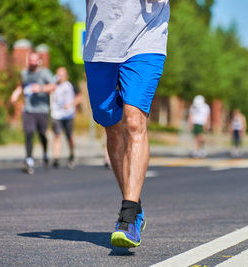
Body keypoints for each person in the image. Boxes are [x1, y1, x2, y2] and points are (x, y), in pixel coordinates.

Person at [83, 0, 170, 248]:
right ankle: (135, 203)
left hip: (146, 38)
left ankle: (128, 216)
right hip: (100, 46)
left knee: (134, 121)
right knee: (109, 122)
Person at [11, 52, 56, 174]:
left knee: (42, 134)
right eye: (30, 60)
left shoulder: (44, 73)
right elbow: (22, 85)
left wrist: (40, 88)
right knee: (29, 132)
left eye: (34, 60)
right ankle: (29, 160)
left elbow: (53, 86)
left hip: (42, 110)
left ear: (39, 61)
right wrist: (16, 93)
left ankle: (45, 153)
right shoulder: (24, 73)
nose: (32, 62)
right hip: (28, 109)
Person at [50, 67, 82, 169]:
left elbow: (79, 97)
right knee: (57, 135)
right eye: (58, 74)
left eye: (62, 74)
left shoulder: (71, 85)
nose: (60, 77)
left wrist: (71, 104)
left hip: (68, 115)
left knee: (69, 136)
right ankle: (56, 158)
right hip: (57, 114)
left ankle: (72, 154)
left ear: (66, 75)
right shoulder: (54, 85)